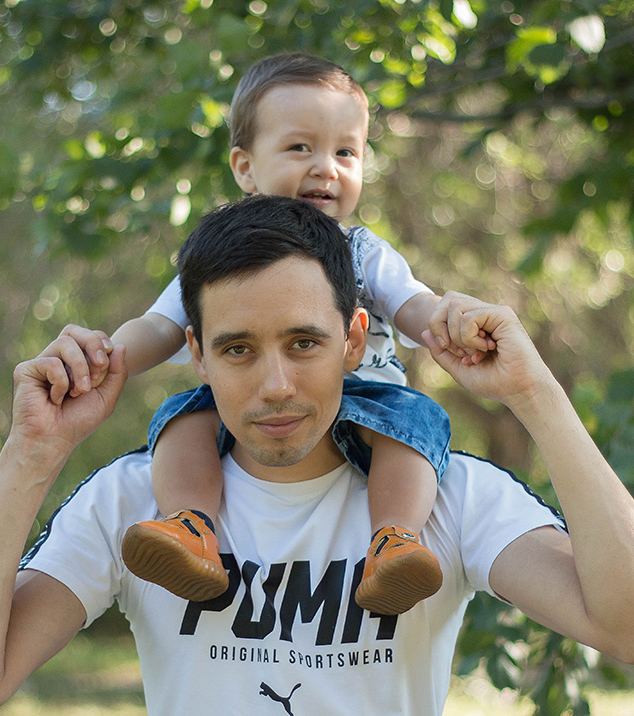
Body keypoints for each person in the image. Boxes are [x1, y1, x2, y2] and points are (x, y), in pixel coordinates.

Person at [0, 195, 634, 716]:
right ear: (197, 355)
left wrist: (537, 395)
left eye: (303, 344)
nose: (275, 386)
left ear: (354, 338)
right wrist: (32, 454)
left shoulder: (446, 493)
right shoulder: (133, 501)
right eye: (238, 349)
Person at [104, 53, 486, 616]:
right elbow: (162, 326)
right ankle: (191, 528)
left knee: (416, 424)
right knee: (182, 419)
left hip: (368, 399)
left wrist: (449, 322)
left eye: (345, 151)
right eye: (300, 147)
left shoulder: (362, 250)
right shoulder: (221, 255)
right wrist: (105, 359)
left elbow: (412, 305)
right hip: (246, 401)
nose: (326, 168)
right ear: (245, 166)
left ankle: (394, 542)